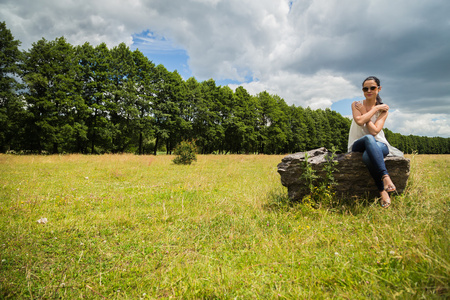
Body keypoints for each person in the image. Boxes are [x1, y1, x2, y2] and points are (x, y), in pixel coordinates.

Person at [347, 76, 403, 208]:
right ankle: (385, 177)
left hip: (379, 144)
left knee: (368, 155)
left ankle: (382, 191)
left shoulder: (384, 111)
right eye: (365, 88)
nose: (369, 90)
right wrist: (375, 109)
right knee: (367, 139)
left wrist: (368, 112)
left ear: (379, 89)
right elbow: (360, 122)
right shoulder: (356, 104)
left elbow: (374, 131)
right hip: (358, 143)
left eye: (372, 87)